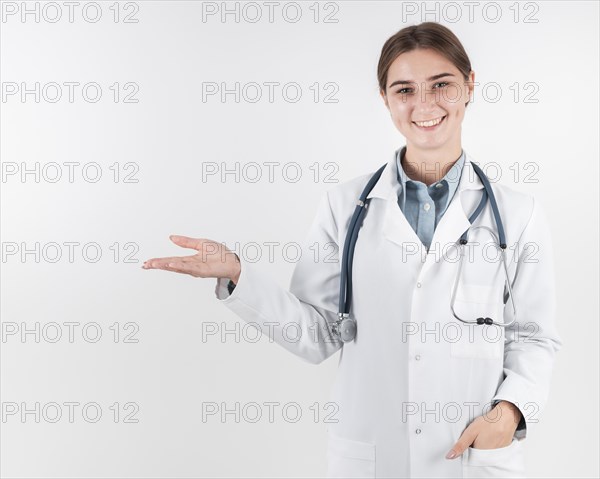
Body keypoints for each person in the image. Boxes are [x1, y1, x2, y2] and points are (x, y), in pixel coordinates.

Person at [143, 22, 562, 479]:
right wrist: (239, 275)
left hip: (472, 458)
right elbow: (318, 334)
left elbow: (533, 336)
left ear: (469, 86)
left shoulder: (518, 215)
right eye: (404, 89)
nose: (424, 104)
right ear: (385, 99)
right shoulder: (345, 207)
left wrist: (509, 414)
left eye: (441, 85)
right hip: (371, 455)